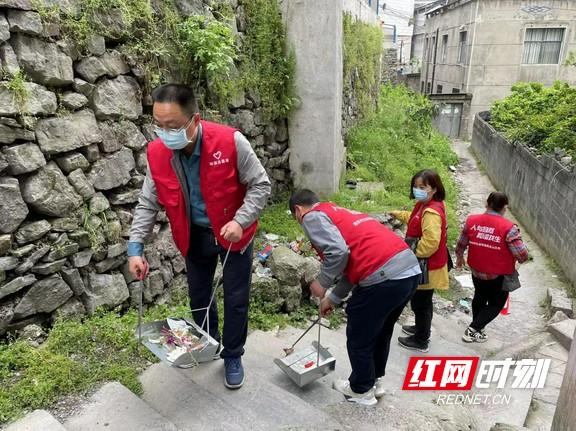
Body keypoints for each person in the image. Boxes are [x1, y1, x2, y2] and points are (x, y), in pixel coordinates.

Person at [128, 84, 271, 389]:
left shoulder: (230, 141)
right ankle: (208, 343)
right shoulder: (157, 153)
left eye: (174, 126)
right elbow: (148, 202)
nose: (165, 133)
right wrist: (135, 248)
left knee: (235, 299)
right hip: (193, 236)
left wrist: (240, 220)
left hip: (234, 235)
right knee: (199, 297)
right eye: (159, 125)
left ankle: (233, 355)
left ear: (195, 119)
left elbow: (261, 185)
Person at [290, 189, 421, 406]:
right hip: (408, 271)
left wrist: (321, 283)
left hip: (383, 276)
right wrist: (332, 298)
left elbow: (338, 253)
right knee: (380, 331)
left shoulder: (311, 216)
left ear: (298, 210)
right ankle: (375, 382)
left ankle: (361, 389)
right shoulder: (337, 212)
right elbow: (352, 264)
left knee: (359, 335)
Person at [455, 192, 528, 342]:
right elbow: (522, 255)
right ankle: (473, 329)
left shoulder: (471, 221)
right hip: (498, 274)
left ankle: (478, 330)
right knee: (496, 304)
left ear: (486, 203)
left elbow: (461, 243)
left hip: (476, 270)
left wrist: (460, 257)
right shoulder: (509, 228)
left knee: (479, 297)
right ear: (504, 208)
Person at [390, 169, 449, 353]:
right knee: (423, 302)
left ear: (434, 188)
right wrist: (399, 214)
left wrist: (412, 254)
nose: (418, 190)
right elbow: (415, 219)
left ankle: (421, 340)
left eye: (422, 187)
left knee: (421, 303)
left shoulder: (431, 212)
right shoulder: (425, 205)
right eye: (415, 186)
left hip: (426, 266)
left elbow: (431, 242)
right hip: (426, 263)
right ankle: (421, 328)